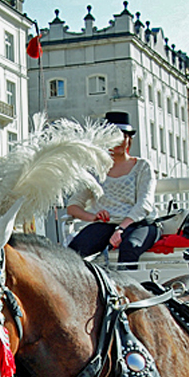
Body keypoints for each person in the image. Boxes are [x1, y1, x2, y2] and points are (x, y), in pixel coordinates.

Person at [66, 111, 159, 265]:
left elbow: (145, 204)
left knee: (130, 247)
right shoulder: (95, 170)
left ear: (129, 139)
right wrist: (93, 217)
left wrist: (121, 229)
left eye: (123, 136)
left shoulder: (142, 166)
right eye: (114, 136)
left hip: (139, 223)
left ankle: (128, 287)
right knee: (75, 250)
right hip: (107, 224)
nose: (120, 141)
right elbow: (73, 205)